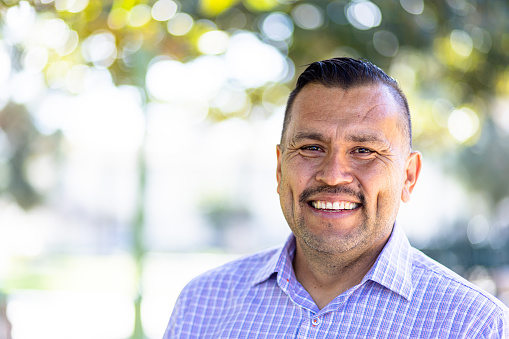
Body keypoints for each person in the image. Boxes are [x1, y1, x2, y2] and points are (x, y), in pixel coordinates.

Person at [164, 57, 509, 338]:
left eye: (363, 150)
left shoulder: (472, 326)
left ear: (408, 176)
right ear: (280, 168)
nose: (332, 174)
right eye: (312, 148)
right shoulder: (202, 304)